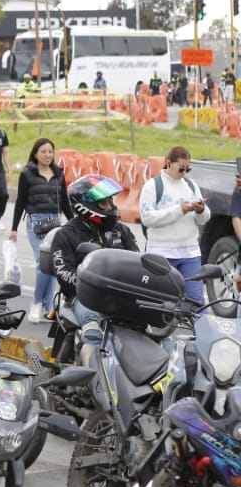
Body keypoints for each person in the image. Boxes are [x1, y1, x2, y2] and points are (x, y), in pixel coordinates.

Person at [48, 175, 138, 347]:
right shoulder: (66, 234)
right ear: (86, 205)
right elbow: (64, 273)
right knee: (93, 327)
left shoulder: (122, 231)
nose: (111, 206)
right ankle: (91, 369)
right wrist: (93, 285)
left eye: (111, 201)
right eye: (105, 203)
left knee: (152, 326)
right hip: (84, 297)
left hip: (120, 296)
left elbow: (137, 263)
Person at [9, 138, 69, 323]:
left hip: (55, 222)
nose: (47, 155)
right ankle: (36, 303)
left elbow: (65, 201)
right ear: (35, 153)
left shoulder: (59, 173)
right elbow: (20, 202)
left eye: (50, 151)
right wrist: (14, 228)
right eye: (43, 151)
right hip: (36, 222)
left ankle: (48, 305)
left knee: (52, 264)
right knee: (43, 263)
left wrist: (76, 223)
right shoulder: (27, 174)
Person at [140, 146, 210, 304]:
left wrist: (201, 210)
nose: (184, 173)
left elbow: (204, 219)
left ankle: (198, 328)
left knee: (196, 301)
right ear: (168, 163)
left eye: (188, 169)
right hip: (161, 253)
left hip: (190, 253)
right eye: (181, 169)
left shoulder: (191, 185)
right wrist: (179, 210)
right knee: (161, 302)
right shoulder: (152, 186)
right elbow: (147, 218)